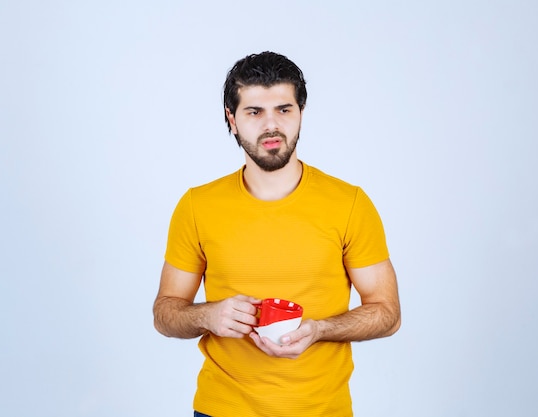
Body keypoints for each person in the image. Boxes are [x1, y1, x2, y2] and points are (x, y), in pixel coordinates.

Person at [153, 51, 401, 417]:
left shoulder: (349, 204)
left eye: (284, 110)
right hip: (221, 409)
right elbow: (165, 312)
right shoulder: (196, 206)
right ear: (231, 119)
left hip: (322, 410)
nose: (271, 125)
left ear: (301, 113)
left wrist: (319, 329)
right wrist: (208, 315)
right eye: (254, 112)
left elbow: (387, 313)